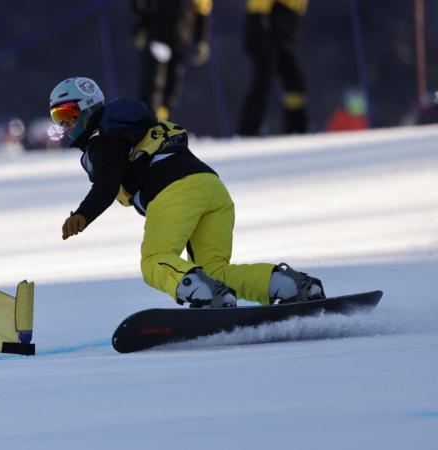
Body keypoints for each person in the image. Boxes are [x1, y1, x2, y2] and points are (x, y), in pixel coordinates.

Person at [50, 76, 324, 308]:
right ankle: (289, 286)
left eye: (68, 114)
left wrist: (83, 215)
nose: (65, 125)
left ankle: (203, 296)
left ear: (88, 108)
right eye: (58, 118)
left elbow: (106, 186)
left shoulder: (104, 140)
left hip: (174, 192)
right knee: (215, 272)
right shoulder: (132, 127)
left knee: (154, 261)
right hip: (212, 188)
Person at [132, 0, 212, 121]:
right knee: (153, 86)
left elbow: (202, 9)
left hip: (181, 39)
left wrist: (201, 39)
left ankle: (160, 123)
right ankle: (145, 125)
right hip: (157, 35)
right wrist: (140, 27)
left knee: (172, 88)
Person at [237, 0, 308, 136]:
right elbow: (257, 9)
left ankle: (297, 128)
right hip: (263, 35)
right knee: (264, 80)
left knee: (295, 83)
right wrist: (264, 32)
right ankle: (248, 129)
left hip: (281, 39)